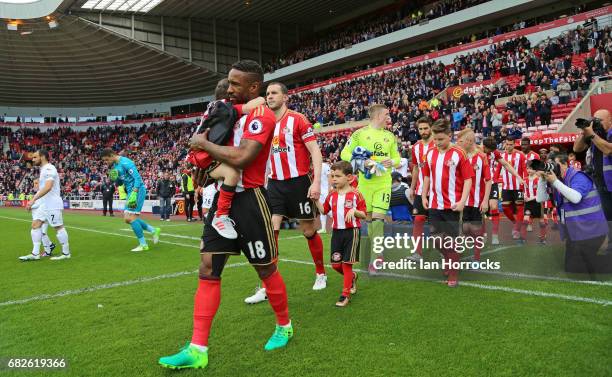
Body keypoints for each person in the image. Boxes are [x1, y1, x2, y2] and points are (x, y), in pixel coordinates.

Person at [159, 60, 293, 370]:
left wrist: (204, 145)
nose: (229, 88)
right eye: (228, 83)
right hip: (224, 198)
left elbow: (244, 157)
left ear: (253, 87)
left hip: (251, 201)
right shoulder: (229, 109)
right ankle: (197, 349)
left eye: (235, 84)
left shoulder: (262, 117)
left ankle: (283, 325)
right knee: (208, 267)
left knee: (265, 270)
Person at [244, 81, 325, 305]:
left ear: (285, 97)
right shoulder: (264, 123)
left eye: (274, 93)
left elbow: (315, 152)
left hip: (299, 182)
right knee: (271, 230)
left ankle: (320, 272)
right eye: (267, 93)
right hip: (275, 185)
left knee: (308, 230)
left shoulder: (297, 120)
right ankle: (266, 286)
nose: (269, 96)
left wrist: (316, 182)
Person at [340, 104, 400, 271]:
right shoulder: (359, 134)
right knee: (368, 221)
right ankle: (372, 249)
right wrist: (361, 160)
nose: (389, 117)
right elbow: (344, 154)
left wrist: (392, 161)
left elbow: (397, 157)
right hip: (365, 185)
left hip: (383, 183)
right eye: (387, 114)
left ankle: (376, 257)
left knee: (378, 220)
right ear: (378, 116)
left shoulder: (390, 136)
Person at [536, 154, 611, 274]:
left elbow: (576, 198)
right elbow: (540, 199)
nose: (553, 169)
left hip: (591, 230)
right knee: (572, 267)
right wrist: (542, 179)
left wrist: (555, 181)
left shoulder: (577, 176)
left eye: (556, 165)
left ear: (566, 164)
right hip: (576, 232)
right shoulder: (558, 180)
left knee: (579, 267)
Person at [421, 119, 473, 287]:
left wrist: (462, 201)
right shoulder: (429, 153)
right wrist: (423, 195)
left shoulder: (459, 153)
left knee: (451, 241)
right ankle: (448, 259)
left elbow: (468, 179)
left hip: (452, 205)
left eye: (441, 139)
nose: (437, 143)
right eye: (435, 139)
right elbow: (427, 176)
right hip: (435, 204)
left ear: (450, 136)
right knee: (436, 240)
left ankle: (453, 273)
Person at [316, 160, 366, 307]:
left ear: (349, 177)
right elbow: (324, 211)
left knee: (346, 264)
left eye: (337, 176)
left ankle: (345, 294)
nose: (334, 179)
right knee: (336, 265)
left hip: (352, 232)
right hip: (337, 233)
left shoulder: (356, 194)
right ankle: (352, 277)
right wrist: (315, 200)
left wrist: (354, 211)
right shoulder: (331, 195)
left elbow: (364, 214)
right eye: (332, 176)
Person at [101, 149, 161, 252]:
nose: (106, 163)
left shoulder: (125, 162)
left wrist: (135, 191)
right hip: (130, 192)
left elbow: (137, 177)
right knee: (128, 218)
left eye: (106, 160)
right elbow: (120, 183)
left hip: (136, 191)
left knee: (130, 218)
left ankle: (143, 244)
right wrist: (115, 179)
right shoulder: (116, 166)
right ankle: (153, 230)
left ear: (111, 155)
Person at [19, 149, 71, 261]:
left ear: (42, 157)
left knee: (58, 227)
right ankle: (35, 254)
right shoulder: (43, 170)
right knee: (35, 225)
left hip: (52, 204)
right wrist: (33, 200)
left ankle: (66, 253)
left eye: (35, 157)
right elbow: (42, 189)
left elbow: (48, 187)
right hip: (44, 204)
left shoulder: (49, 169)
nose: (33, 160)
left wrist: (33, 200)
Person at [573, 109, 612, 253]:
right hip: (602, 184)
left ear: (610, 120)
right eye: (595, 119)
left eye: (600, 120)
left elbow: (608, 150)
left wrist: (592, 134)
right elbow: (577, 148)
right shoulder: (594, 134)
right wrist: (585, 131)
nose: (597, 123)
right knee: (608, 217)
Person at [456, 128, 491, 261]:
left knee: (475, 231)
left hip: (476, 201)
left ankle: (476, 259)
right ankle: (455, 256)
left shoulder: (481, 157)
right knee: (462, 230)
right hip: (460, 202)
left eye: (461, 141)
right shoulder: (458, 156)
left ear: (469, 141)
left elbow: (488, 180)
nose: (458, 143)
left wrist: (485, 200)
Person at [482, 137, 523, 245]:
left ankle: (495, 236)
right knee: (481, 210)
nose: (491, 152)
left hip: (492, 183)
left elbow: (505, 164)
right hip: (479, 185)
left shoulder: (494, 152)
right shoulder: (477, 152)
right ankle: (484, 234)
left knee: (494, 207)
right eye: (489, 150)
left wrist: (517, 176)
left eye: (492, 151)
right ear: (484, 147)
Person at [408, 117, 434, 260]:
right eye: (421, 129)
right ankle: (417, 252)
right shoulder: (415, 147)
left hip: (436, 191)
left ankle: (445, 252)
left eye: (425, 128)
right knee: (418, 220)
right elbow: (416, 169)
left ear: (431, 128)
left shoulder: (438, 144)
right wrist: (412, 187)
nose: (423, 131)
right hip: (419, 191)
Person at [494, 137, 528, 244]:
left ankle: (516, 230)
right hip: (506, 187)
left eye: (511, 144)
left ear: (514, 144)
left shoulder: (520, 155)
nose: (508, 146)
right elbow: (498, 170)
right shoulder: (501, 156)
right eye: (507, 144)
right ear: (505, 144)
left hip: (518, 187)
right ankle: (516, 222)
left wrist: (525, 183)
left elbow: (524, 171)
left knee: (520, 208)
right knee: (504, 208)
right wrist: (493, 181)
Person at [524, 162, 548, 244]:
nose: (529, 170)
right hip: (528, 203)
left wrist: (531, 198)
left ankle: (543, 238)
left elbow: (541, 193)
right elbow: (524, 191)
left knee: (541, 222)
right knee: (525, 220)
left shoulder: (539, 179)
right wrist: (524, 196)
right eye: (527, 168)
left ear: (535, 169)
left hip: (538, 203)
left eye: (531, 168)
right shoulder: (525, 180)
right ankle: (522, 239)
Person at [319, 158, 331, 233]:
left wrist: (329, 189)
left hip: (326, 191)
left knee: (329, 209)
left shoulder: (325, 166)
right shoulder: (315, 166)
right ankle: (323, 228)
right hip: (319, 191)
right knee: (321, 209)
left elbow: (329, 177)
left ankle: (338, 222)